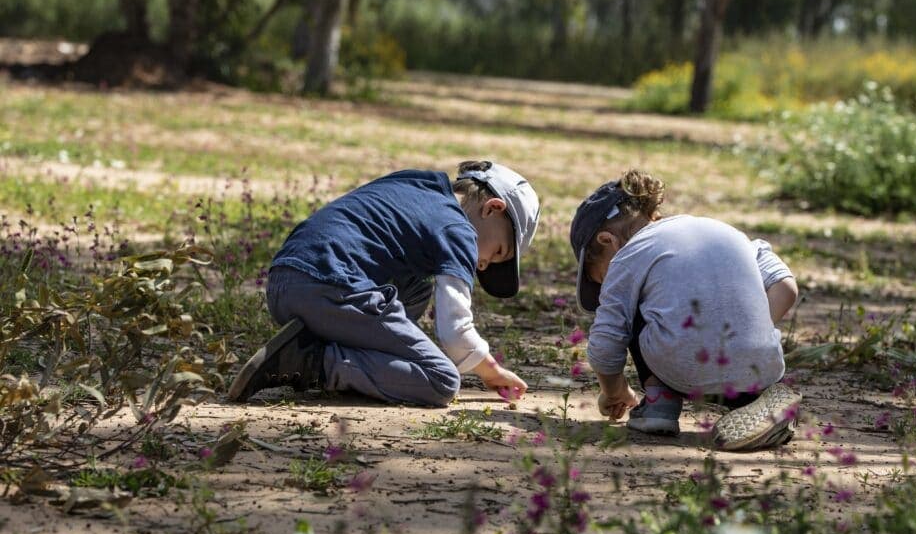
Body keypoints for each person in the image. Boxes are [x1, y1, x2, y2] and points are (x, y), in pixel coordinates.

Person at [228, 161, 539, 407]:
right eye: (499, 251)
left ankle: (330, 344)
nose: (482, 263)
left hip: (284, 281)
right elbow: (455, 332)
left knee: (417, 286)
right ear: (492, 208)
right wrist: (490, 369)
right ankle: (313, 361)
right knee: (441, 380)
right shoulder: (459, 230)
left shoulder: (416, 182)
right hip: (329, 287)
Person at [570, 170, 801, 451]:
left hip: (679, 372)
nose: (607, 285)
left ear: (608, 241)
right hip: (756, 371)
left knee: (632, 310)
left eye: (601, 278)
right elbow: (787, 288)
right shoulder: (725, 231)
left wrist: (614, 391)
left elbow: (606, 342)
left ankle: (659, 406)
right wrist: (744, 325)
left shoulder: (628, 255)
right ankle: (757, 402)